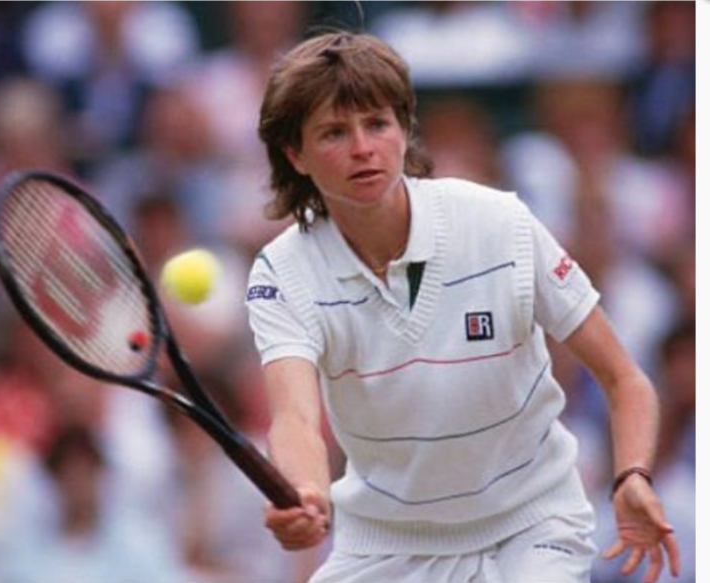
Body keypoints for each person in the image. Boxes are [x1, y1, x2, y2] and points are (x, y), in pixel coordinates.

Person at [245, 32, 680, 583]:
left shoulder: (500, 224)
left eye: (377, 124)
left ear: (404, 129)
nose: (362, 147)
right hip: (386, 540)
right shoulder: (282, 272)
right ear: (295, 154)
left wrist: (632, 476)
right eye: (334, 132)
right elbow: (297, 418)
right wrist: (306, 492)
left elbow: (625, 379)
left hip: (531, 523)